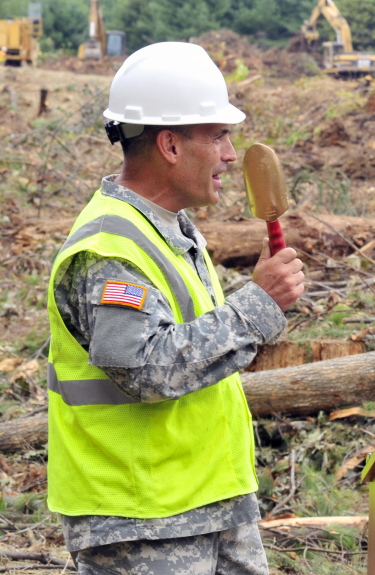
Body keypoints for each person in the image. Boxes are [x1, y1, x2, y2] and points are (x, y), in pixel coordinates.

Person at [46, 42, 305, 574]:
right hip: (141, 522)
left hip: (210, 503)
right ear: (168, 144)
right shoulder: (108, 249)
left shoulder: (169, 231)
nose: (231, 155)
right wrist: (257, 307)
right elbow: (145, 369)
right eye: (217, 136)